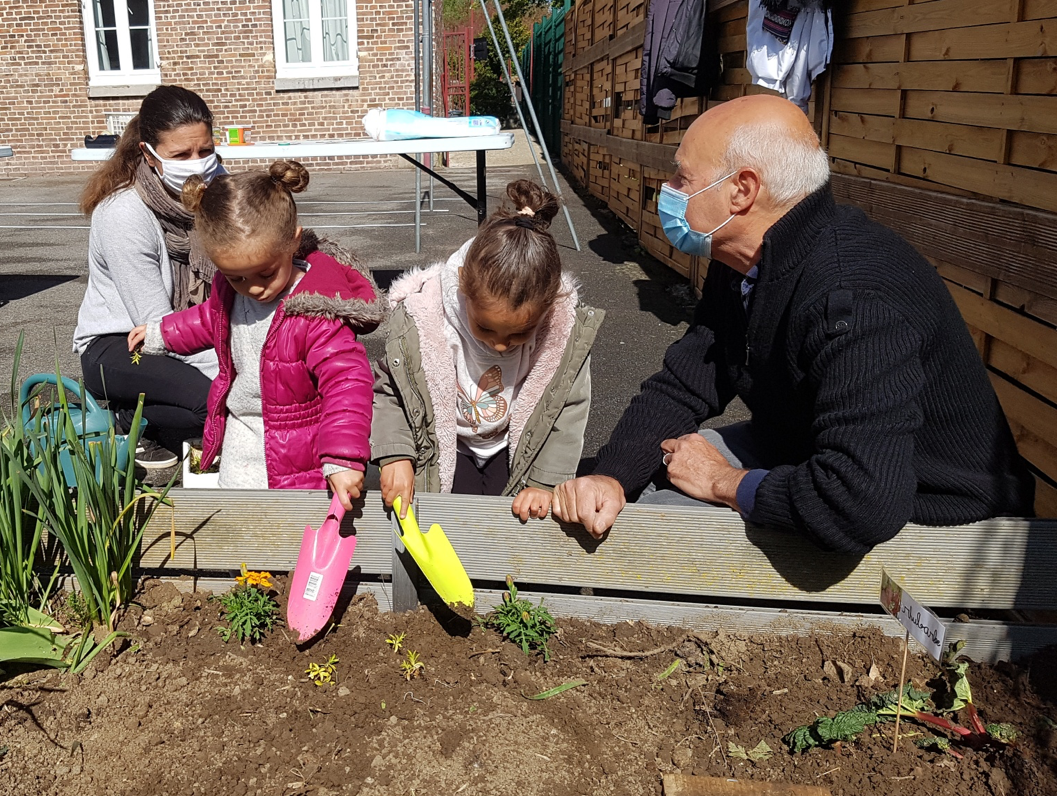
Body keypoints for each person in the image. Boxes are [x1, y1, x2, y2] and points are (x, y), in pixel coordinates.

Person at [553, 95, 1033, 555]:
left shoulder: (855, 297)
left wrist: (722, 481)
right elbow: (687, 381)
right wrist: (613, 476)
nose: (669, 188)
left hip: (935, 515)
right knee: (629, 478)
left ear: (742, 190)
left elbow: (860, 503)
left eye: (683, 175)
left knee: (650, 529)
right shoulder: (744, 259)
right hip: (808, 454)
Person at [127, 160, 385, 509]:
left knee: (294, 522)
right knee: (239, 514)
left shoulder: (315, 312)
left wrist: (342, 456)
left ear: (293, 241)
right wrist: (161, 332)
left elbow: (347, 382)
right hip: (242, 433)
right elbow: (209, 319)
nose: (253, 288)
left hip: (301, 446)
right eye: (237, 277)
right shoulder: (231, 292)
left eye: (266, 274)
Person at [373, 181, 601, 523]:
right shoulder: (425, 321)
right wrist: (396, 454)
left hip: (513, 446)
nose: (500, 345)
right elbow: (391, 390)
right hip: (447, 445)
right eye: (486, 328)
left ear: (550, 305)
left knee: (512, 522)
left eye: (520, 333)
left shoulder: (559, 334)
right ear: (462, 285)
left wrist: (544, 481)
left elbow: (567, 410)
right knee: (449, 520)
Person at [74, 85, 227, 469]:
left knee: (238, 392)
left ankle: (160, 406)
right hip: (120, 344)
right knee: (216, 401)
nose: (198, 164)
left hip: (194, 330)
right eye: (181, 155)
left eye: (205, 151)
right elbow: (158, 325)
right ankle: (121, 422)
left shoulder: (220, 187)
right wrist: (236, 372)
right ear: (149, 154)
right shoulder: (123, 213)